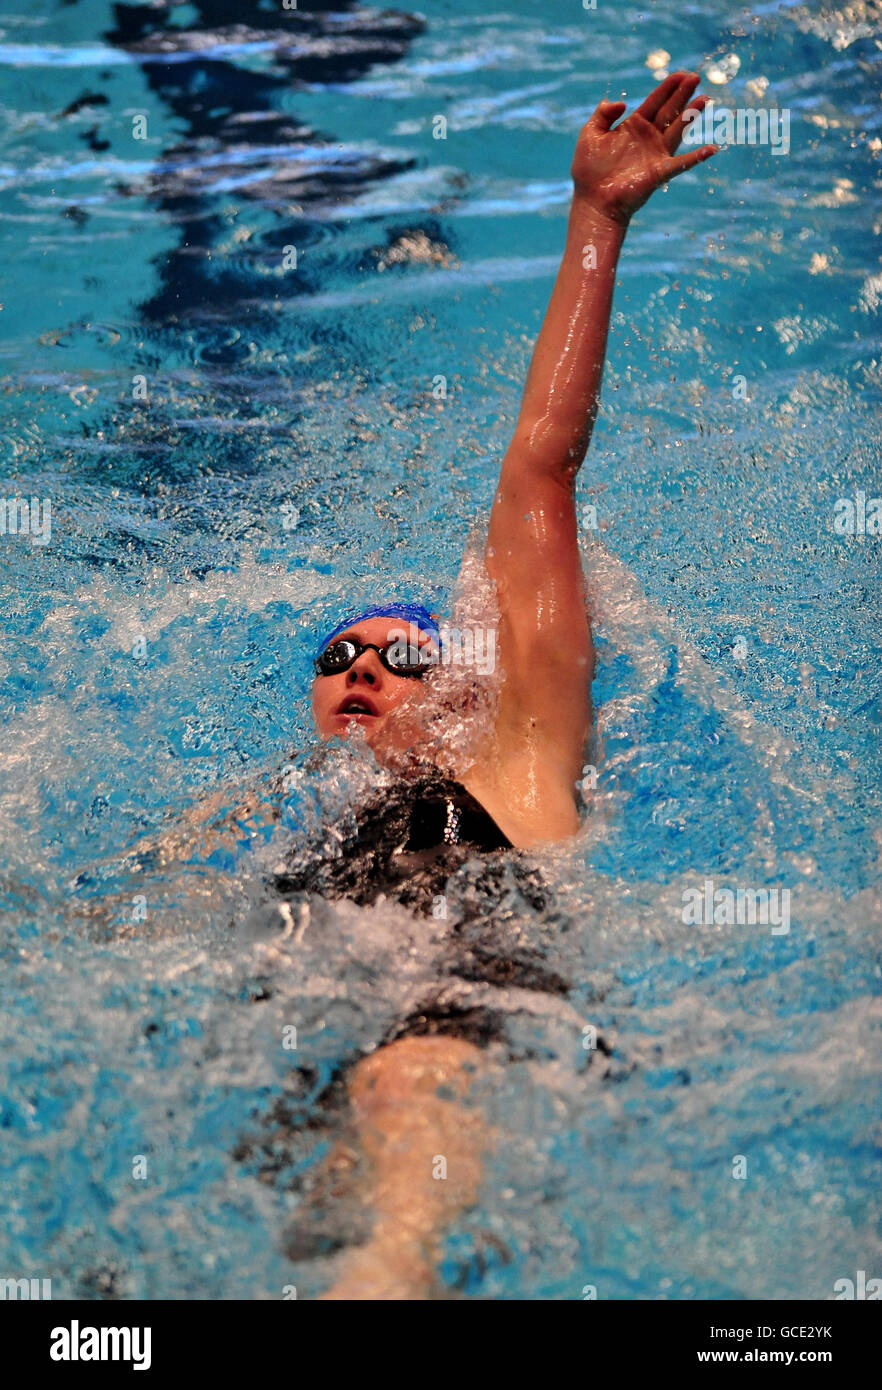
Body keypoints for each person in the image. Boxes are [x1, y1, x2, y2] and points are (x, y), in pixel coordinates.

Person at [142, 72, 719, 1298]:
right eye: (337, 657)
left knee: (397, 1123)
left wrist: (597, 223)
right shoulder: (271, 826)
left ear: (459, 678)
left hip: (467, 1041)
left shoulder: (516, 751)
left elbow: (541, 472)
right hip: (318, 1047)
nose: (360, 668)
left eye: (399, 653)